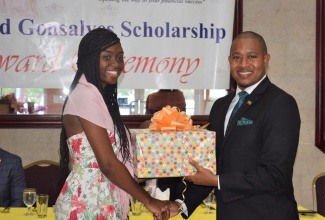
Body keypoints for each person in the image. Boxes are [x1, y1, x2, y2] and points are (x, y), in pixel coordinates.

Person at [182, 31, 301, 220]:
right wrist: (182, 205)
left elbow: (275, 174)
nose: (244, 64)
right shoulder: (220, 106)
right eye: (237, 57)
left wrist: (216, 180)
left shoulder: (281, 103)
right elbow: (212, 165)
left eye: (252, 56)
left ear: (266, 59)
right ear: (229, 61)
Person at [55, 28, 169, 220]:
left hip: (104, 200)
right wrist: (148, 201)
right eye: (107, 57)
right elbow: (108, 164)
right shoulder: (85, 95)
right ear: (89, 60)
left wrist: (165, 156)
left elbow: (120, 163)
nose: (116, 64)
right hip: (87, 205)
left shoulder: (99, 98)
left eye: (120, 57)